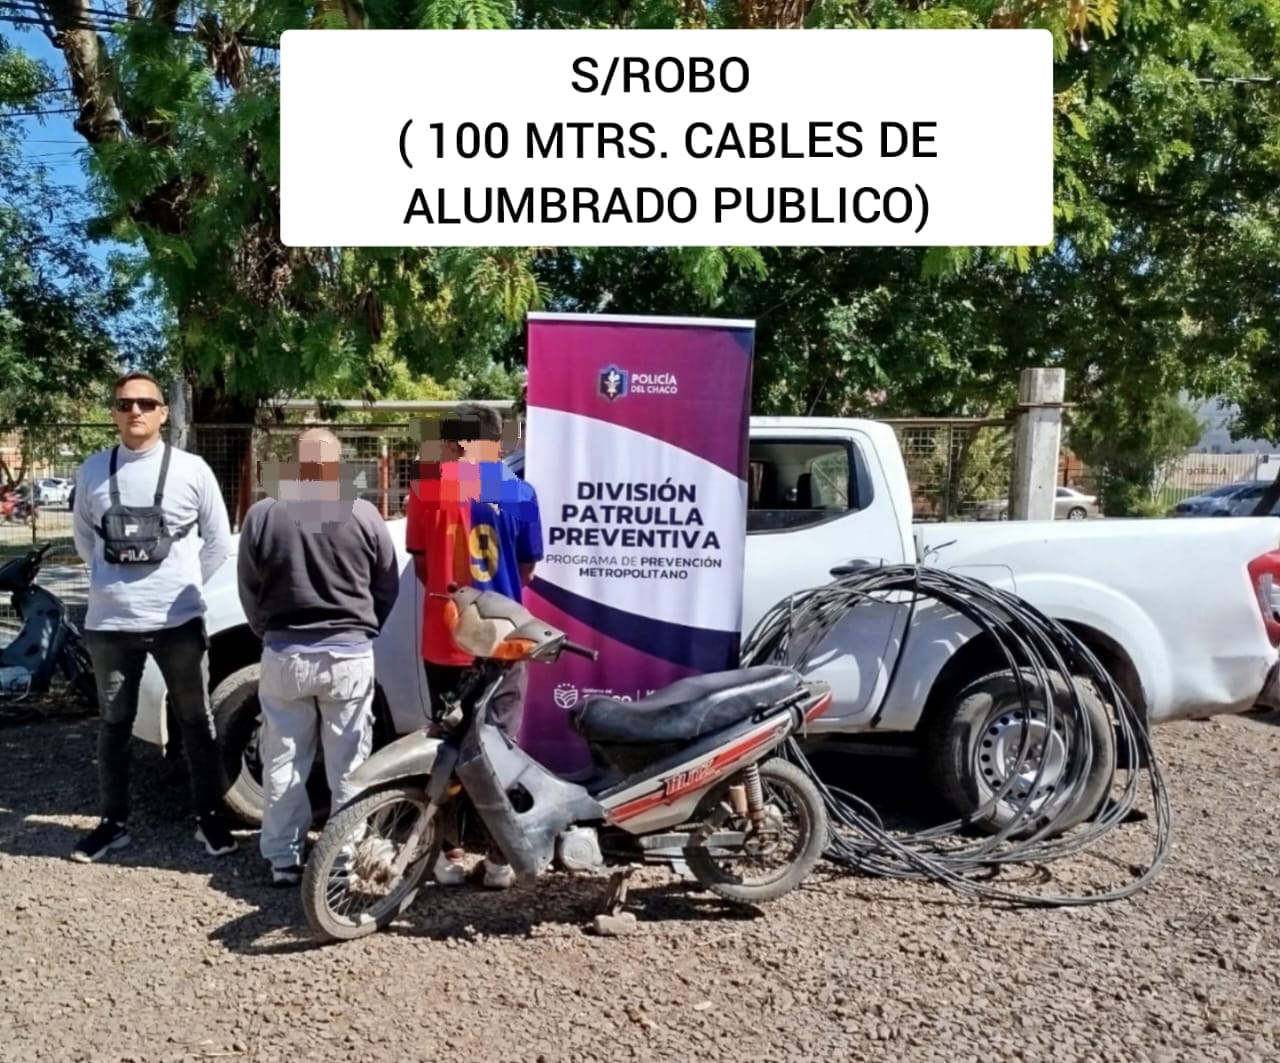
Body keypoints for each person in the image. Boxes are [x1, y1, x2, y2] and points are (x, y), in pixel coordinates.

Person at [70, 370, 235, 863]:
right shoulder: (92, 471)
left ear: (163, 412)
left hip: (177, 623)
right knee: (114, 724)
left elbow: (218, 542)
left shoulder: (192, 470)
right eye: (124, 404)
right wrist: (114, 586)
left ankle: (210, 818)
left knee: (196, 720)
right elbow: (84, 539)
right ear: (113, 413)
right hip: (110, 625)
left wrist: (181, 588)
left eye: (145, 403)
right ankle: (112, 823)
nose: (135, 411)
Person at [236, 428, 400, 885]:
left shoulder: (264, 514)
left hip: (285, 655)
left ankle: (282, 858)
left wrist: (267, 631)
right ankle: (342, 860)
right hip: (348, 656)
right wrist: (364, 629)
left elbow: (248, 586)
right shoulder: (364, 514)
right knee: (349, 765)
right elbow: (387, 583)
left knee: (283, 760)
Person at [405, 402, 543, 889]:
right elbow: (527, 570)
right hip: (503, 643)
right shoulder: (520, 492)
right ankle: (501, 858)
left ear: (455, 443)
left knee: (447, 747)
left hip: (446, 640)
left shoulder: (425, 489)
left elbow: (422, 566)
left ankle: (447, 853)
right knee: (501, 749)